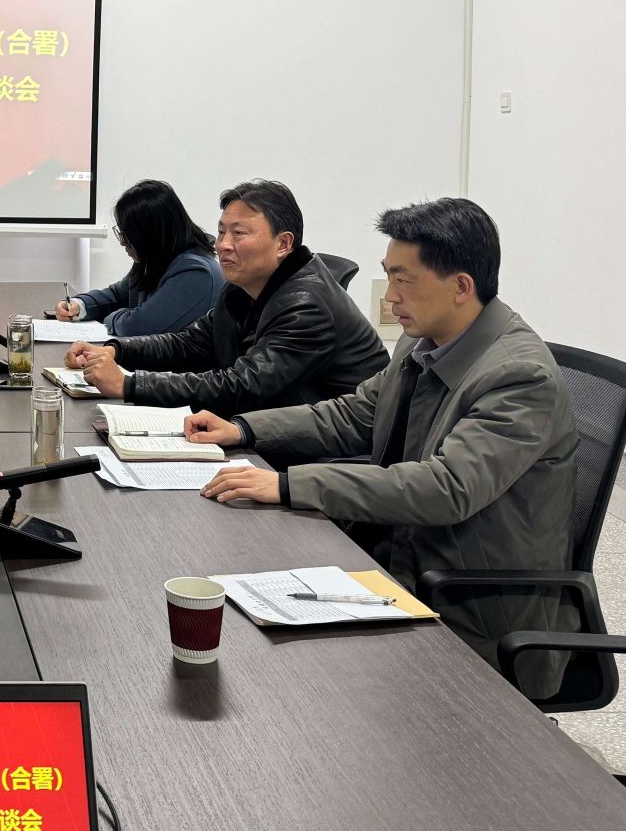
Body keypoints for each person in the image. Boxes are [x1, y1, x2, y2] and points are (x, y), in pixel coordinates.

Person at [193, 198, 579, 697]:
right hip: (401, 562)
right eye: (388, 275)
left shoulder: (519, 376)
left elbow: (446, 488)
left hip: (472, 610)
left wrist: (290, 484)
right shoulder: (424, 340)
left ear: (461, 287)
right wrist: (243, 429)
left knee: (284, 683)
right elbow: (357, 413)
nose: (390, 296)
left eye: (404, 280)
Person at [66, 179, 386, 420]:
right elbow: (190, 343)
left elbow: (241, 386)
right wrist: (116, 350)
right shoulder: (243, 286)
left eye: (238, 233)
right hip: (264, 427)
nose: (223, 245)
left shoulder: (307, 306)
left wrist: (129, 384)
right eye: (221, 232)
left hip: (322, 454)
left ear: (283, 244)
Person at [54, 179, 223, 337]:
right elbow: (116, 295)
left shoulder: (197, 274)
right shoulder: (155, 259)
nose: (122, 242)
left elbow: (136, 327)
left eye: (128, 235)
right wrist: (79, 305)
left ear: (151, 235)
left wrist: (111, 317)